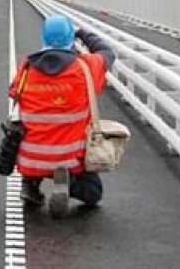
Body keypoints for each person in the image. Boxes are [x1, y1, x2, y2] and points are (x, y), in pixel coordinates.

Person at [8, 14, 116, 216]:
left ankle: (30, 185)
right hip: (71, 159)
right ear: (71, 39)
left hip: (32, 159)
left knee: (35, 136)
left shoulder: (26, 68)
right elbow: (107, 52)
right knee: (94, 194)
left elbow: (14, 93)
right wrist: (82, 33)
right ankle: (67, 181)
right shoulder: (86, 68)